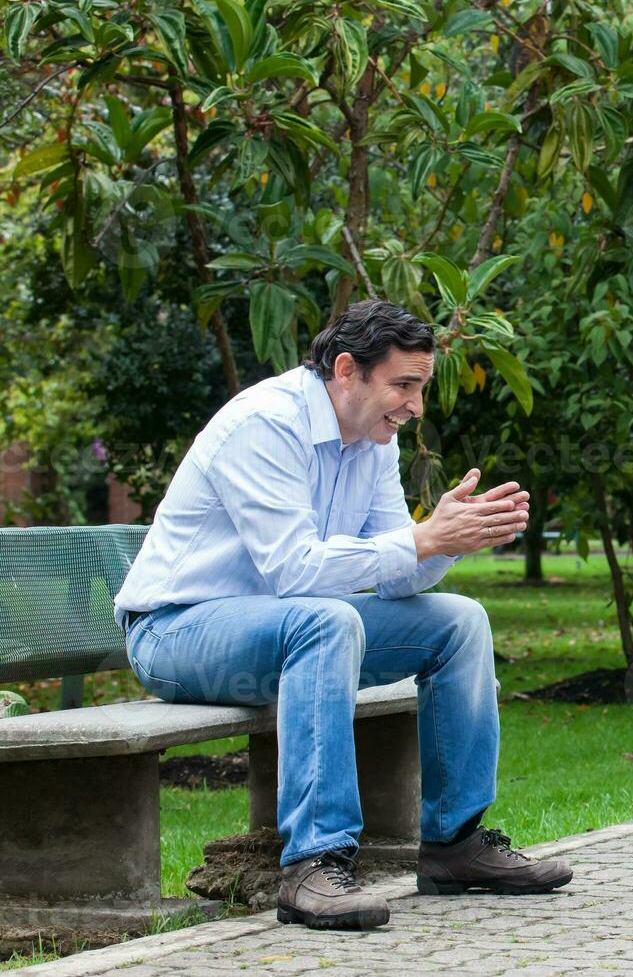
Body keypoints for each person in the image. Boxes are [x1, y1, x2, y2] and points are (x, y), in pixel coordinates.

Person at [114, 300, 571, 930]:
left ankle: (454, 844)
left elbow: (393, 574)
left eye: (421, 388)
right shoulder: (265, 424)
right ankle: (313, 864)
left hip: (286, 629)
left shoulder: (371, 439)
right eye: (403, 386)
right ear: (348, 370)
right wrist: (420, 539)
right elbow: (297, 571)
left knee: (459, 622)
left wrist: (445, 540)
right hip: (176, 631)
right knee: (328, 621)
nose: (415, 406)